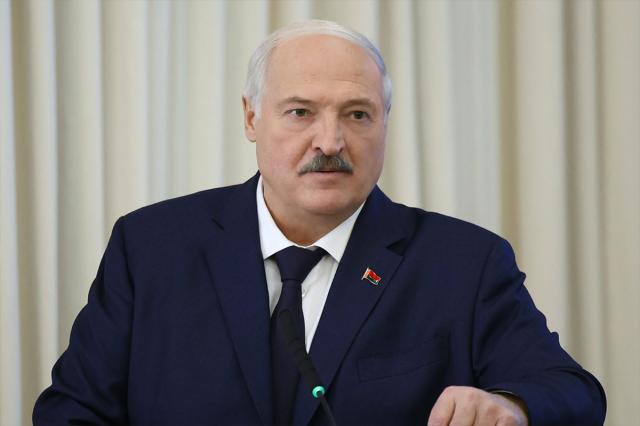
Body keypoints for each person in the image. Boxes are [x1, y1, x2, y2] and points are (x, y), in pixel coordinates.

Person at [34, 20, 605, 425]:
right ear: (252, 118)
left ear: (385, 123)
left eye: (357, 114)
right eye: (300, 112)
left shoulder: (464, 263)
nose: (330, 142)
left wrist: (512, 406)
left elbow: (573, 392)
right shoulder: (150, 248)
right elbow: (71, 411)